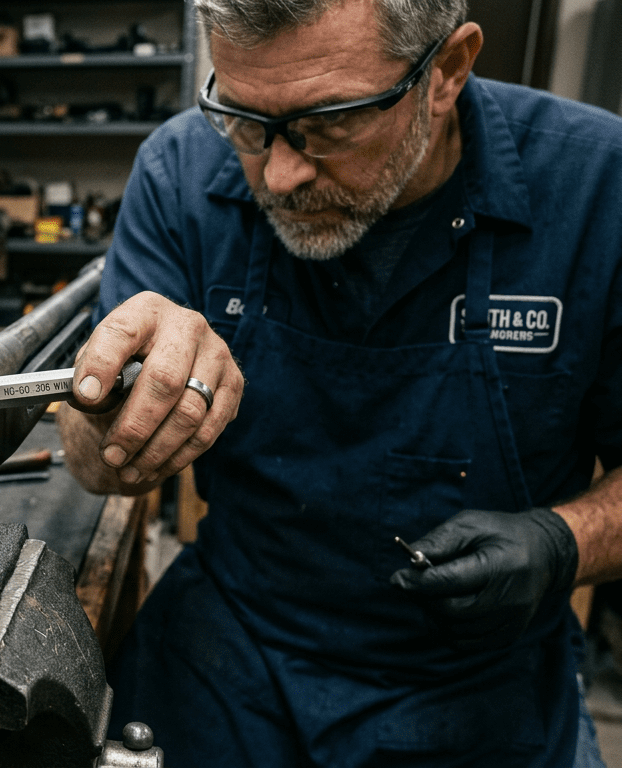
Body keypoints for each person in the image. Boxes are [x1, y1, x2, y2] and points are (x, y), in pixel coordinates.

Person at [57, 0, 622, 763]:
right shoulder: (180, 171)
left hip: (485, 681)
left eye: (330, 121)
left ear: (447, 71)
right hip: (235, 648)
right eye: (245, 119)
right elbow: (94, 471)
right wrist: (114, 413)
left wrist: (563, 543)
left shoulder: (598, 186)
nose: (280, 173)